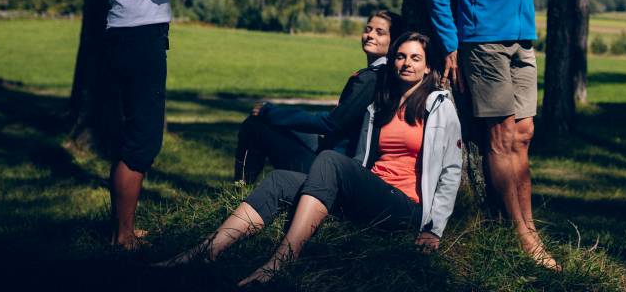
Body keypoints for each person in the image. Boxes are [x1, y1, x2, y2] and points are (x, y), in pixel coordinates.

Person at [160, 32, 462, 285]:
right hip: (370, 192)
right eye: (401, 56)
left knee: (329, 161)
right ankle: (209, 249)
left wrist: (433, 229)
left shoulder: (439, 107)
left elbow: (451, 170)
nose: (406, 63)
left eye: (414, 58)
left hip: (404, 207)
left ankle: (281, 260)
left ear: (427, 68)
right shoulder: (381, 105)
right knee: (280, 179)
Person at [426, 0, 558, 269]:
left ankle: (527, 226)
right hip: (482, 41)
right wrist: (449, 43)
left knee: (524, 135)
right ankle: (524, 237)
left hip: (523, 37)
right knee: (501, 138)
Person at [99, 0, 221, 249]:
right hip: (135, 36)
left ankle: (126, 229)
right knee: (143, 138)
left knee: (140, 134)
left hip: (140, 33)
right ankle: (122, 236)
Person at [233, 9, 402, 182]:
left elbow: (331, 124)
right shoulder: (380, 74)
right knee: (275, 124)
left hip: (333, 172)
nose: (370, 35)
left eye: (379, 32)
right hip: (331, 152)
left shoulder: (372, 79)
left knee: (255, 125)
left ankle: (240, 189)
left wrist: (271, 111)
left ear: (394, 41)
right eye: (368, 29)